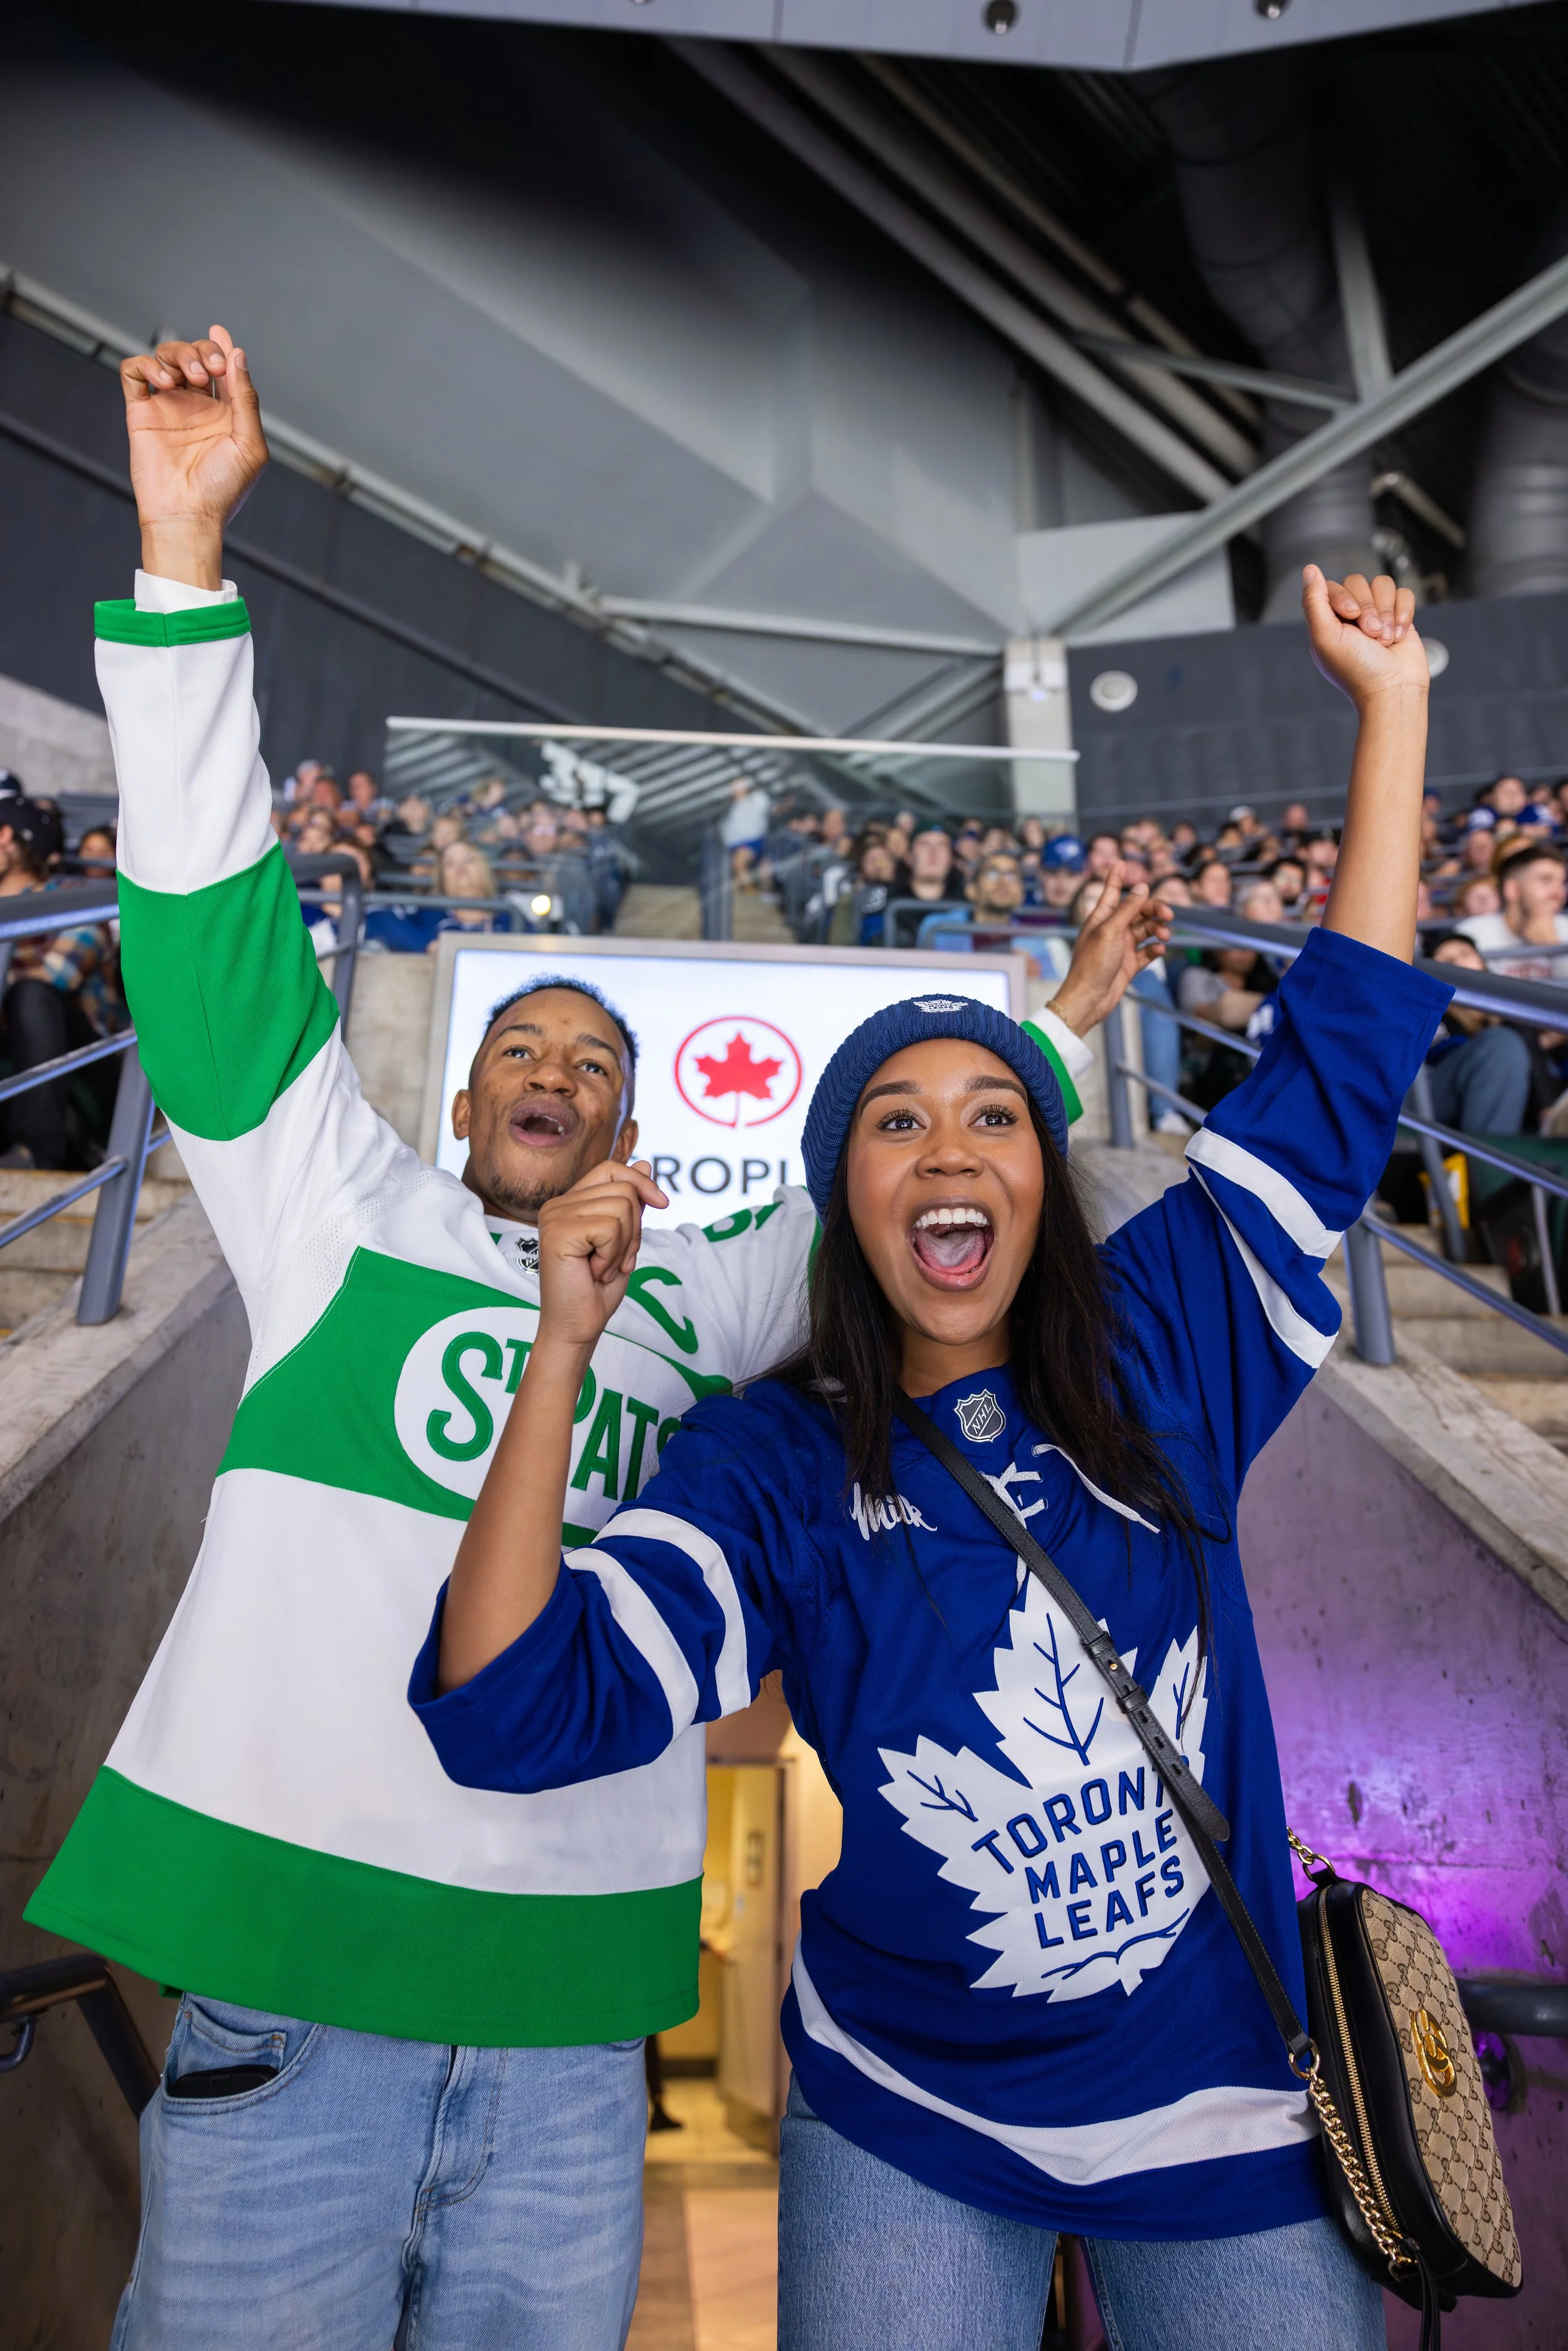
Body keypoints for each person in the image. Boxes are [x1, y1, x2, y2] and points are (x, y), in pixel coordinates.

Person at [24, 325, 1158, 2351]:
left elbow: (907, 1193)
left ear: (625, 1135)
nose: (552, 1067)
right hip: (293, 1996)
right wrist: (187, 555)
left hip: (568, 2048)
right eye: (519, 1050)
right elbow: (204, 929)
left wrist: (1055, 1019)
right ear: (463, 1109)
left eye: (591, 1060)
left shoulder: (694, 1300)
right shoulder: (334, 1210)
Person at [417, 564, 1444, 2351]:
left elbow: (1343, 1048)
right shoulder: (770, 1461)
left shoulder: (1163, 1334)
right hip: (907, 2118)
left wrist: (1393, 706)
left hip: (1224, 2115)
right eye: (894, 1122)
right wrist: (557, 1357)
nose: (944, 1147)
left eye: (991, 1115)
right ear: (850, 1201)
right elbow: (508, 1706)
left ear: (1040, 1182)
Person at [0, 795, 126, 1169]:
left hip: (84, 1068)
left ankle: (37, 1150)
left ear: (9, 839)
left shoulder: (71, 899)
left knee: (31, 995)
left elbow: (58, 974)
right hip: (14, 1063)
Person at [1422, 934, 1533, 1135]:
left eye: (1465, 954)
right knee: (1502, 1046)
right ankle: (1488, 1164)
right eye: (1447, 961)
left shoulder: (1514, 1010)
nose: (1458, 962)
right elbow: (1436, 1052)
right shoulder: (1432, 1013)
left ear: (1481, 962)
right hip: (1433, 1094)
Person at [1456, 843, 1568, 982]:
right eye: (1546, 881)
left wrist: (1553, 947)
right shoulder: (1473, 933)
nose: (1560, 894)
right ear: (1513, 889)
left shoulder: (1566, 928)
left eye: (1562, 883)